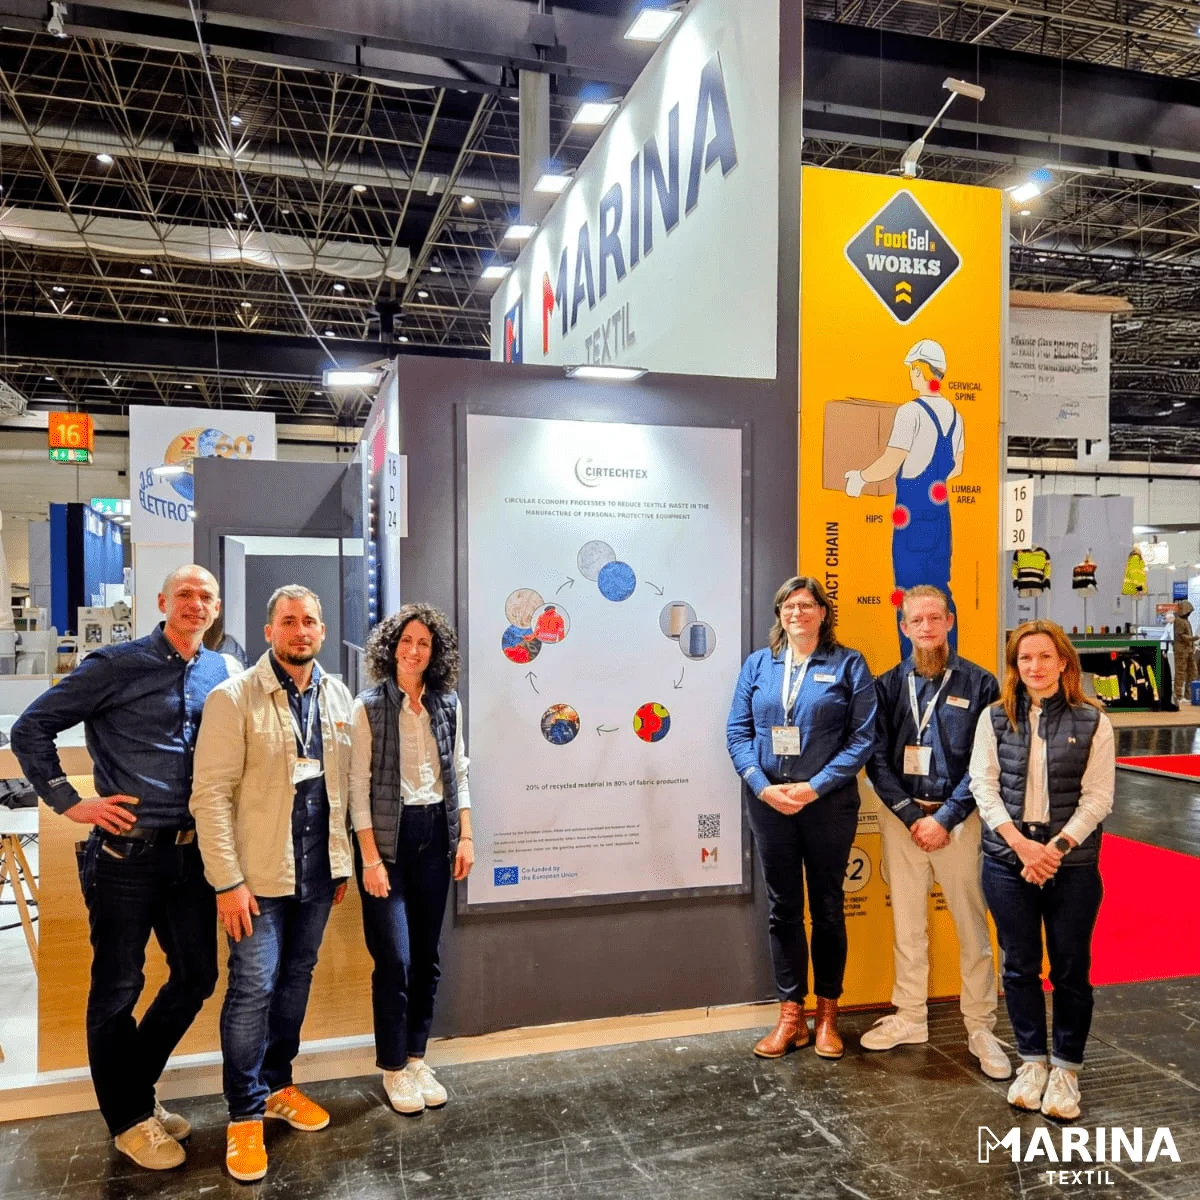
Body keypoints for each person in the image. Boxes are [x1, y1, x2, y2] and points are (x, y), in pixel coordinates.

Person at [10, 565, 228, 1170]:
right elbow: (32, 728)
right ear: (162, 602)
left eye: (205, 596)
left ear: (216, 608)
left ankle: (134, 1090)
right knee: (117, 988)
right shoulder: (115, 664)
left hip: (191, 854)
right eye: (184, 594)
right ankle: (129, 1121)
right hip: (123, 856)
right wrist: (67, 800)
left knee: (196, 977)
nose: (195, 604)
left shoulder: (220, 671)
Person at [190, 585, 355, 1182]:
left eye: (309, 621)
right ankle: (244, 1114)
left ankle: (279, 1084)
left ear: (321, 630)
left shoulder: (338, 696)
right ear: (269, 632)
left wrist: (340, 860)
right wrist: (226, 882)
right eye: (288, 621)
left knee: (294, 981)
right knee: (253, 987)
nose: (300, 630)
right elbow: (209, 797)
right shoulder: (232, 698)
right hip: (255, 879)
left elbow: (343, 787)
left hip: (317, 873)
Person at [969, 620, 1114, 1121]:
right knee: (1019, 966)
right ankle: (1032, 1062)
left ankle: (1066, 1069)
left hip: (1072, 864)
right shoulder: (993, 718)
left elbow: (1098, 797)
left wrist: (1054, 848)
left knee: (1071, 969)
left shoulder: (1093, 720)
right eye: (1025, 658)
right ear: (1014, 666)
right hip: (1007, 862)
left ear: (1064, 662)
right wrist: (1021, 846)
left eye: (1045, 656)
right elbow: (983, 786)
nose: (1035, 666)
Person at [726, 575, 876, 1060]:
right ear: (779, 614)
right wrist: (761, 784)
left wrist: (815, 786)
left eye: (807, 605)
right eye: (789, 605)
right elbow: (737, 731)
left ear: (823, 613)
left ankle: (827, 1015)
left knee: (829, 907)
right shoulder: (758, 665)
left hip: (827, 805)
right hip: (770, 805)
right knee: (783, 909)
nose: (798, 613)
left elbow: (863, 738)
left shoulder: (849, 664)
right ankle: (791, 1016)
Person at [863, 586, 1009, 1079]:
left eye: (934, 618)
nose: (926, 627)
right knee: (907, 925)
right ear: (904, 628)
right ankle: (910, 1016)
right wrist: (911, 816)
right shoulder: (886, 686)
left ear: (949, 621)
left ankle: (980, 1026)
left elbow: (984, 762)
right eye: (916, 621)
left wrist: (944, 818)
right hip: (902, 820)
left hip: (959, 821)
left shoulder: (982, 684)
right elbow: (876, 760)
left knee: (972, 927)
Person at [348, 604, 474, 1115]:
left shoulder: (447, 703)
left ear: (434, 652)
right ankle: (393, 1067)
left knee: (427, 957)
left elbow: (459, 771)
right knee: (395, 960)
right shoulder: (368, 707)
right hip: (389, 844)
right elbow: (357, 789)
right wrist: (370, 860)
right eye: (406, 641)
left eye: (424, 643)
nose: (414, 650)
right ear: (391, 647)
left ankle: (417, 1057)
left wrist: (466, 837)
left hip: (435, 836)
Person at [844, 339, 964, 657]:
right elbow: (957, 467)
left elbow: (891, 460)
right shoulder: (955, 415)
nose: (911, 374)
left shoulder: (911, 412)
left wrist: (860, 478)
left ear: (923, 370)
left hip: (912, 519)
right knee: (940, 595)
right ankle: (949, 665)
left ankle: (912, 668)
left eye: (912, 368)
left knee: (908, 598)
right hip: (940, 518)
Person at [1172, 600, 1195, 704]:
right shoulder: (1179, 621)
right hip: (1181, 651)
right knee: (1180, 673)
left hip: (1188, 650)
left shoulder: (1186, 621)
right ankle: (1178, 695)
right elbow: (1181, 636)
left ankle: (1188, 695)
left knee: (1192, 672)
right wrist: (1193, 638)